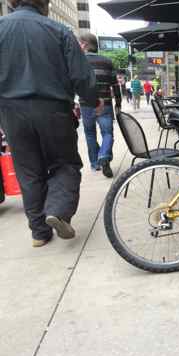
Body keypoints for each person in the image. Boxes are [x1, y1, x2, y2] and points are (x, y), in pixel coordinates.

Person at [0, 0, 101, 247]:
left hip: (12, 112)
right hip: (54, 109)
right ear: (44, 4)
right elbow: (80, 74)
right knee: (65, 163)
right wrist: (91, 100)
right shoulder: (58, 31)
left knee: (28, 171)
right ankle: (58, 211)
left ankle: (39, 232)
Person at [78, 32, 122, 178]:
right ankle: (104, 155)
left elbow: (74, 83)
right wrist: (119, 103)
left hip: (86, 104)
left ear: (84, 44)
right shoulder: (107, 61)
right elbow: (115, 85)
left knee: (90, 134)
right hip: (105, 104)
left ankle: (96, 163)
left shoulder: (79, 61)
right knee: (107, 133)